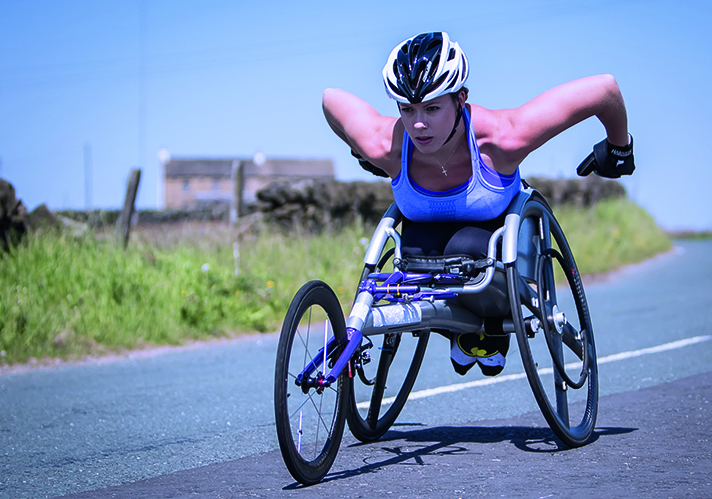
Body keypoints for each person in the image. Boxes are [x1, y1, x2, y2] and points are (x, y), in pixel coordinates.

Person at [322, 31, 635, 377]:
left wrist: (618, 147)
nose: (419, 124)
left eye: (433, 108)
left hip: (489, 246)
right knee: (414, 253)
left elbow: (605, 89)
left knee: (466, 248)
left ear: (461, 98)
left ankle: (487, 325)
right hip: (427, 247)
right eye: (407, 110)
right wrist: (360, 150)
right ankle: (457, 328)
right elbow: (330, 99)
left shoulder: (504, 137)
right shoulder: (387, 144)